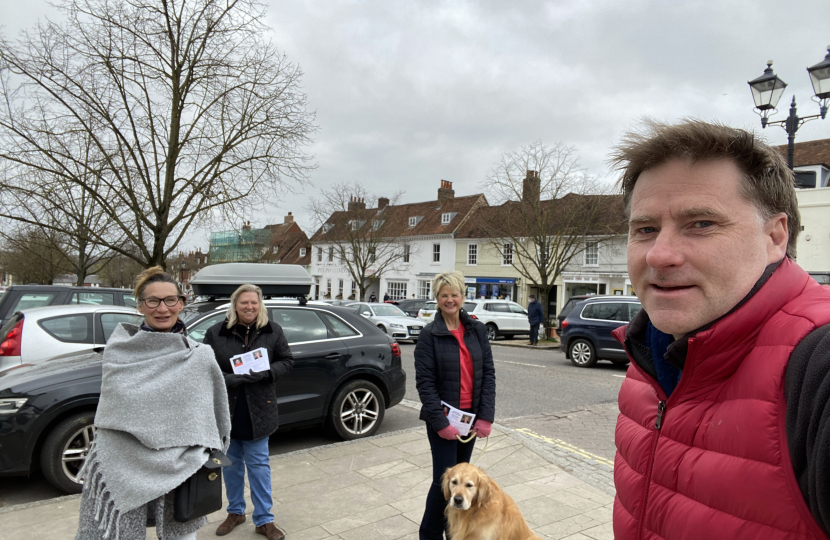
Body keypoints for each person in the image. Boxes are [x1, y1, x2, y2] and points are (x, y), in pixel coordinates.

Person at [609, 120, 830, 540]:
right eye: (645, 229)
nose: (659, 254)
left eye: (701, 223)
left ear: (775, 236)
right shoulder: (652, 353)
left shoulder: (817, 365)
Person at [76, 267, 231, 540]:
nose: (162, 308)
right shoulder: (119, 353)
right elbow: (113, 414)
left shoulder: (200, 356)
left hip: (182, 465)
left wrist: (201, 452)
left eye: (170, 300)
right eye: (153, 301)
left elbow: (214, 415)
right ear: (140, 306)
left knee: (180, 535)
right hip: (123, 461)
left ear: (181, 304)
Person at [204, 284, 294, 540]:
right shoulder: (216, 333)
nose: (249, 307)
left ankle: (264, 520)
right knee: (230, 466)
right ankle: (235, 512)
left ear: (260, 304)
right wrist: (229, 379)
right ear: (235, 305)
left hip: (259, 410)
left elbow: (287, 360)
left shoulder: (272, 331)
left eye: (254, 302)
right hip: (227, 412)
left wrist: (268, 373)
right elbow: (205, 369)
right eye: (244, 303)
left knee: (259, 466)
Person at [414, 271, 496, 540]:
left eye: (455, 294)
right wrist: (441, 423)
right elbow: (425, 384)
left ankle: (455, 533)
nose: (450, 299)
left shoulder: (477, 330)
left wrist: (485, 417)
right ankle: (429, 535)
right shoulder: (429, 335)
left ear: (463, 296)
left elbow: (488, 375)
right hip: (444, 422)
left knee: (463, 486)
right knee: (445, 483)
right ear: (437, 298)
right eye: (444, 295)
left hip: (469, 420)